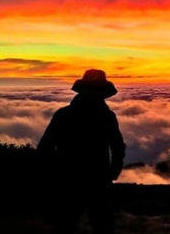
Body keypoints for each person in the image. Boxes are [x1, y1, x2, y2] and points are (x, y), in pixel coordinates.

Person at [37, 69, 126, 234]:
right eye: (92, 89)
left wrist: (113, 171)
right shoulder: (104, 116)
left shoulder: (66, 115)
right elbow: (45, 148)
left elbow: (45, 148)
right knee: (80, 225)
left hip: (85, 180)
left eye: (96, 89)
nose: (94, 93)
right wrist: (113, 171)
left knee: (84, 225)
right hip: (78, 180)